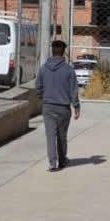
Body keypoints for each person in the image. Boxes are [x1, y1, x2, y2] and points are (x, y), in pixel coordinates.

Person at [36, 40, 80, 172]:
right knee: (62, 136)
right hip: (63, 108)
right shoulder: (69, 70)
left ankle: (52, 164)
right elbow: (74, 90)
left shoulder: (43, 68)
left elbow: (38, 87)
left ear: (52, 51)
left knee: (50, 136)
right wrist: (76, 107)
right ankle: (62, 160)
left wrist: (42, 96)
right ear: (63, 53)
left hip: (48, 107)